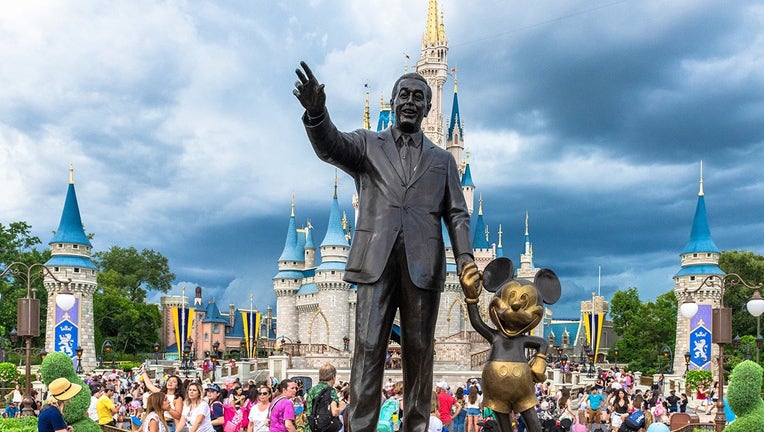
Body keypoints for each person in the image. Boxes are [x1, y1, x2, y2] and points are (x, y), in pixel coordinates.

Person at [294, 60, 476, 432]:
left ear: (428, 108)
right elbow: (330, 146)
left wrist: (467, 259)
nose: (410, 102)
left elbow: (457, 214)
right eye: (403, 95)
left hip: (423, 268)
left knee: (420, 357)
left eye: (419, 97)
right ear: (392, 102)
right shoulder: (366, 144)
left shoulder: (442, 161)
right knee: (367, 352)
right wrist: (317, 113)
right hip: (375, 264)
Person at [305, 364, 344, 432]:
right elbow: (334, 412)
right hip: (324, 428)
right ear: (333, 376)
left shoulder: (311, 390)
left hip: (310, 427)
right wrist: (342, 407)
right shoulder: (331, 391)